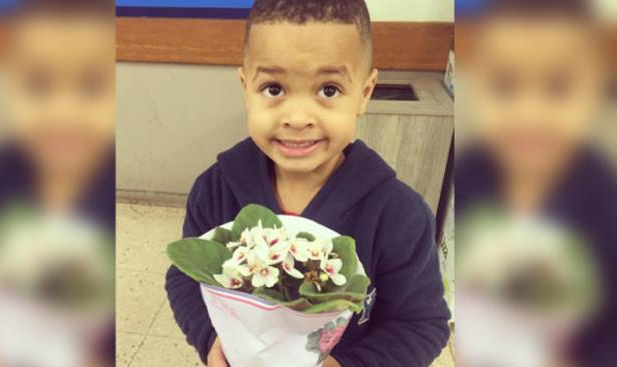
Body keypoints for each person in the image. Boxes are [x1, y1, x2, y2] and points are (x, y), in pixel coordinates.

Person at [165, 1, 451, 366]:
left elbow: (421, 324)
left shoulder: (400, 216)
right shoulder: (216, 190)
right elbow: (185, 278)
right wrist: (210, 340)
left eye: (328, 90)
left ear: (364, 93)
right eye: (273, 88)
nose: (298, 118)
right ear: (245, 86)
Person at [0, 0, 116, 365]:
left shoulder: (110, 193)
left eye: (92, 87)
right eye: (38, 85)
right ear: (9, 86)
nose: (62, 112)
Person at [455, 0, 617, 366]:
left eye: (558, 88)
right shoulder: (468, 178)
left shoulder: (609, 204)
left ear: (595, 90)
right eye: (504, 86)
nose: (528, 114)